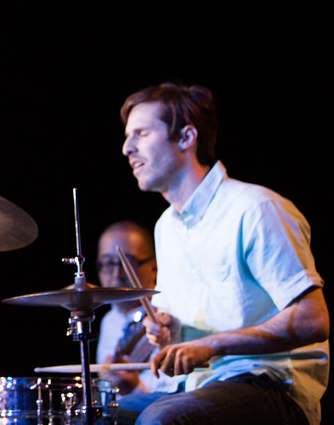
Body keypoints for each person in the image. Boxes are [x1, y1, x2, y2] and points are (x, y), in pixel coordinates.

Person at [116, 82, 328, 424]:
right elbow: (178, 326)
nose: (127, 148)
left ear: (186, 137)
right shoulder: (165, 226)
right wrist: (169, 331)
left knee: (161, 420)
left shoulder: (256, 208)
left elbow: (312, 319)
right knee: (104, 414)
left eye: (140, 134)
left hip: (271, 384)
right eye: (128, 136)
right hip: (200, 384)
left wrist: (213, 344)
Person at [94, 220, 165, 396]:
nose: (117, 275)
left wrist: (134, 388)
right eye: (108, 263)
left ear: (154, 267)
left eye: (128, 263)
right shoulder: (109, 321)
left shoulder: (167, 317)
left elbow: (173, 404)